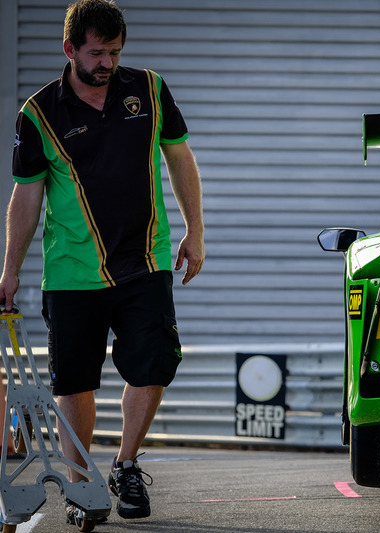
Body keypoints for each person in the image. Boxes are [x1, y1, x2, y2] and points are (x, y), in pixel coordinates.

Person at [0, 0, 204, 522]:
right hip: (72, 272)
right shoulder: (39, 113)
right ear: (69, 49)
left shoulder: (150, 90)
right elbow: (26, 197)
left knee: (155, 364)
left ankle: (126, 464)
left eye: (115, 52)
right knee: (75, 382)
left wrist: (194, 231)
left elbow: (179, 155)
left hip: (146, 259)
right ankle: (80, 488)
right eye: (97, 53)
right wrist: (9, 270)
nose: (107, 63)